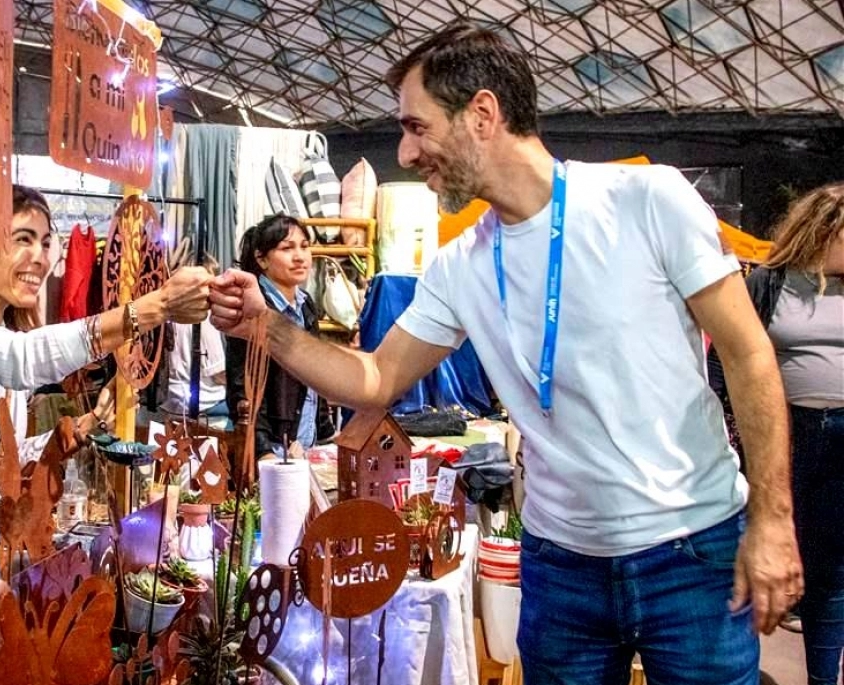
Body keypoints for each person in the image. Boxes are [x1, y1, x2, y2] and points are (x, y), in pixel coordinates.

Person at [209, 22, 802, 685]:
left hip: (693, 551)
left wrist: (773, 520)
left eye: (416, 126)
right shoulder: (460, 263)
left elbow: (751, 357)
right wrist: (271, 329)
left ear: (482, 115)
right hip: (561, 566)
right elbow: (377, 376)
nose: (404, 152)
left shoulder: (647, 199)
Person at [0, 178, 211, 576]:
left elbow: (2, 455)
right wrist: (157, 306)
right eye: (23, 239)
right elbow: (23, 359)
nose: (40, 258)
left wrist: (85, 426)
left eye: (46, 243)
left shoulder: (3, 338)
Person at [711, 183, 844, 683]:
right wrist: (733, 428)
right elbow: (724, 358)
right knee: (788, 556)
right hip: (792, 436)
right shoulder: (769, 284)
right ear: (823, 230)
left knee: (831, 570)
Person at [225, 215, 333, 460]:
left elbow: (315, 377)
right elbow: (243, 386)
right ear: (262, 258)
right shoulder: (254, 306)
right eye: (287, 248)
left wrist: (325, 433)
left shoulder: (306, 305)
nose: (299, 256)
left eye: (304, 247)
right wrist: (263, 451)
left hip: (305, 444)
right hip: (273, 448)